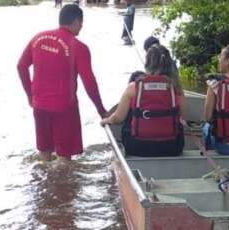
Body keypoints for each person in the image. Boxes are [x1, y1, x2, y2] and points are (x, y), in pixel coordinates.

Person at [17, 4, 107, 162]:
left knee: (44, 152)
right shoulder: (79, 47)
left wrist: (30, 96)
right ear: (75, 21)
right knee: (64, 158)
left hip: (39, 105)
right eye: (81, 22)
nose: (81, 26)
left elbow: (21, 66)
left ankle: (44, 184)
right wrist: (101, 110)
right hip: (64, 107)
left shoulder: (38, 38)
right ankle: (62, 185)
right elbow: (89, 81)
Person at [101, 45, 185, 157]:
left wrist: (107, 120)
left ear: (147, 62)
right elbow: (182, 116)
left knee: (131, 114)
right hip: (171, 147)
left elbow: (118, 118)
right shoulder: (176, 88)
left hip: (138, 147)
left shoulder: (133, 87)